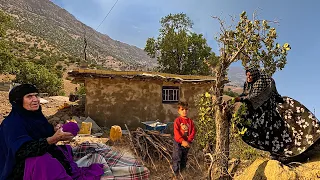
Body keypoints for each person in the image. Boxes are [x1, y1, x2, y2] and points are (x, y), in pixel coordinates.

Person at [0, 84, 103, 180]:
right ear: (18, 101)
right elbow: (23, 151)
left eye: (36, 96)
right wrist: (54, 138)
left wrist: (56, 130)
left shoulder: (36, 117)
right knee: (42, 161)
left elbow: (45, 134)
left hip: (40, 154)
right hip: (18, 167)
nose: (35, 100)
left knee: (63, 147)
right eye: (29, 96)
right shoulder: (11, 124)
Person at [234, 67, 320, 163]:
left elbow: (254, 96)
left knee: (283, 130)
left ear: (255, 74)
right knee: (267, 133)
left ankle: (295, 152)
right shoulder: (248, 84)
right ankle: (278, 154)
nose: (248, 77)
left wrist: (239, 99)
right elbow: (245, 94)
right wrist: (234, 100)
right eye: (247, 75)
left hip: (273, 108)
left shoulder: (262, 81)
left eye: (250, 75)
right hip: (261, 111)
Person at [172, 101, 196, 175]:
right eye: (182, 109)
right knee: (177, 156)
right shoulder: (177, 121)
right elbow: (176, 133)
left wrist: (188, 141)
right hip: (179, 142)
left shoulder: (190, 121)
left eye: (186, 109)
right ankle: (176, 173)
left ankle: (183, 172)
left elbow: (193, 131)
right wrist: (182, 141)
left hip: (187, 142)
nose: (184, 111)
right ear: (179, 111)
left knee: (184, 157)